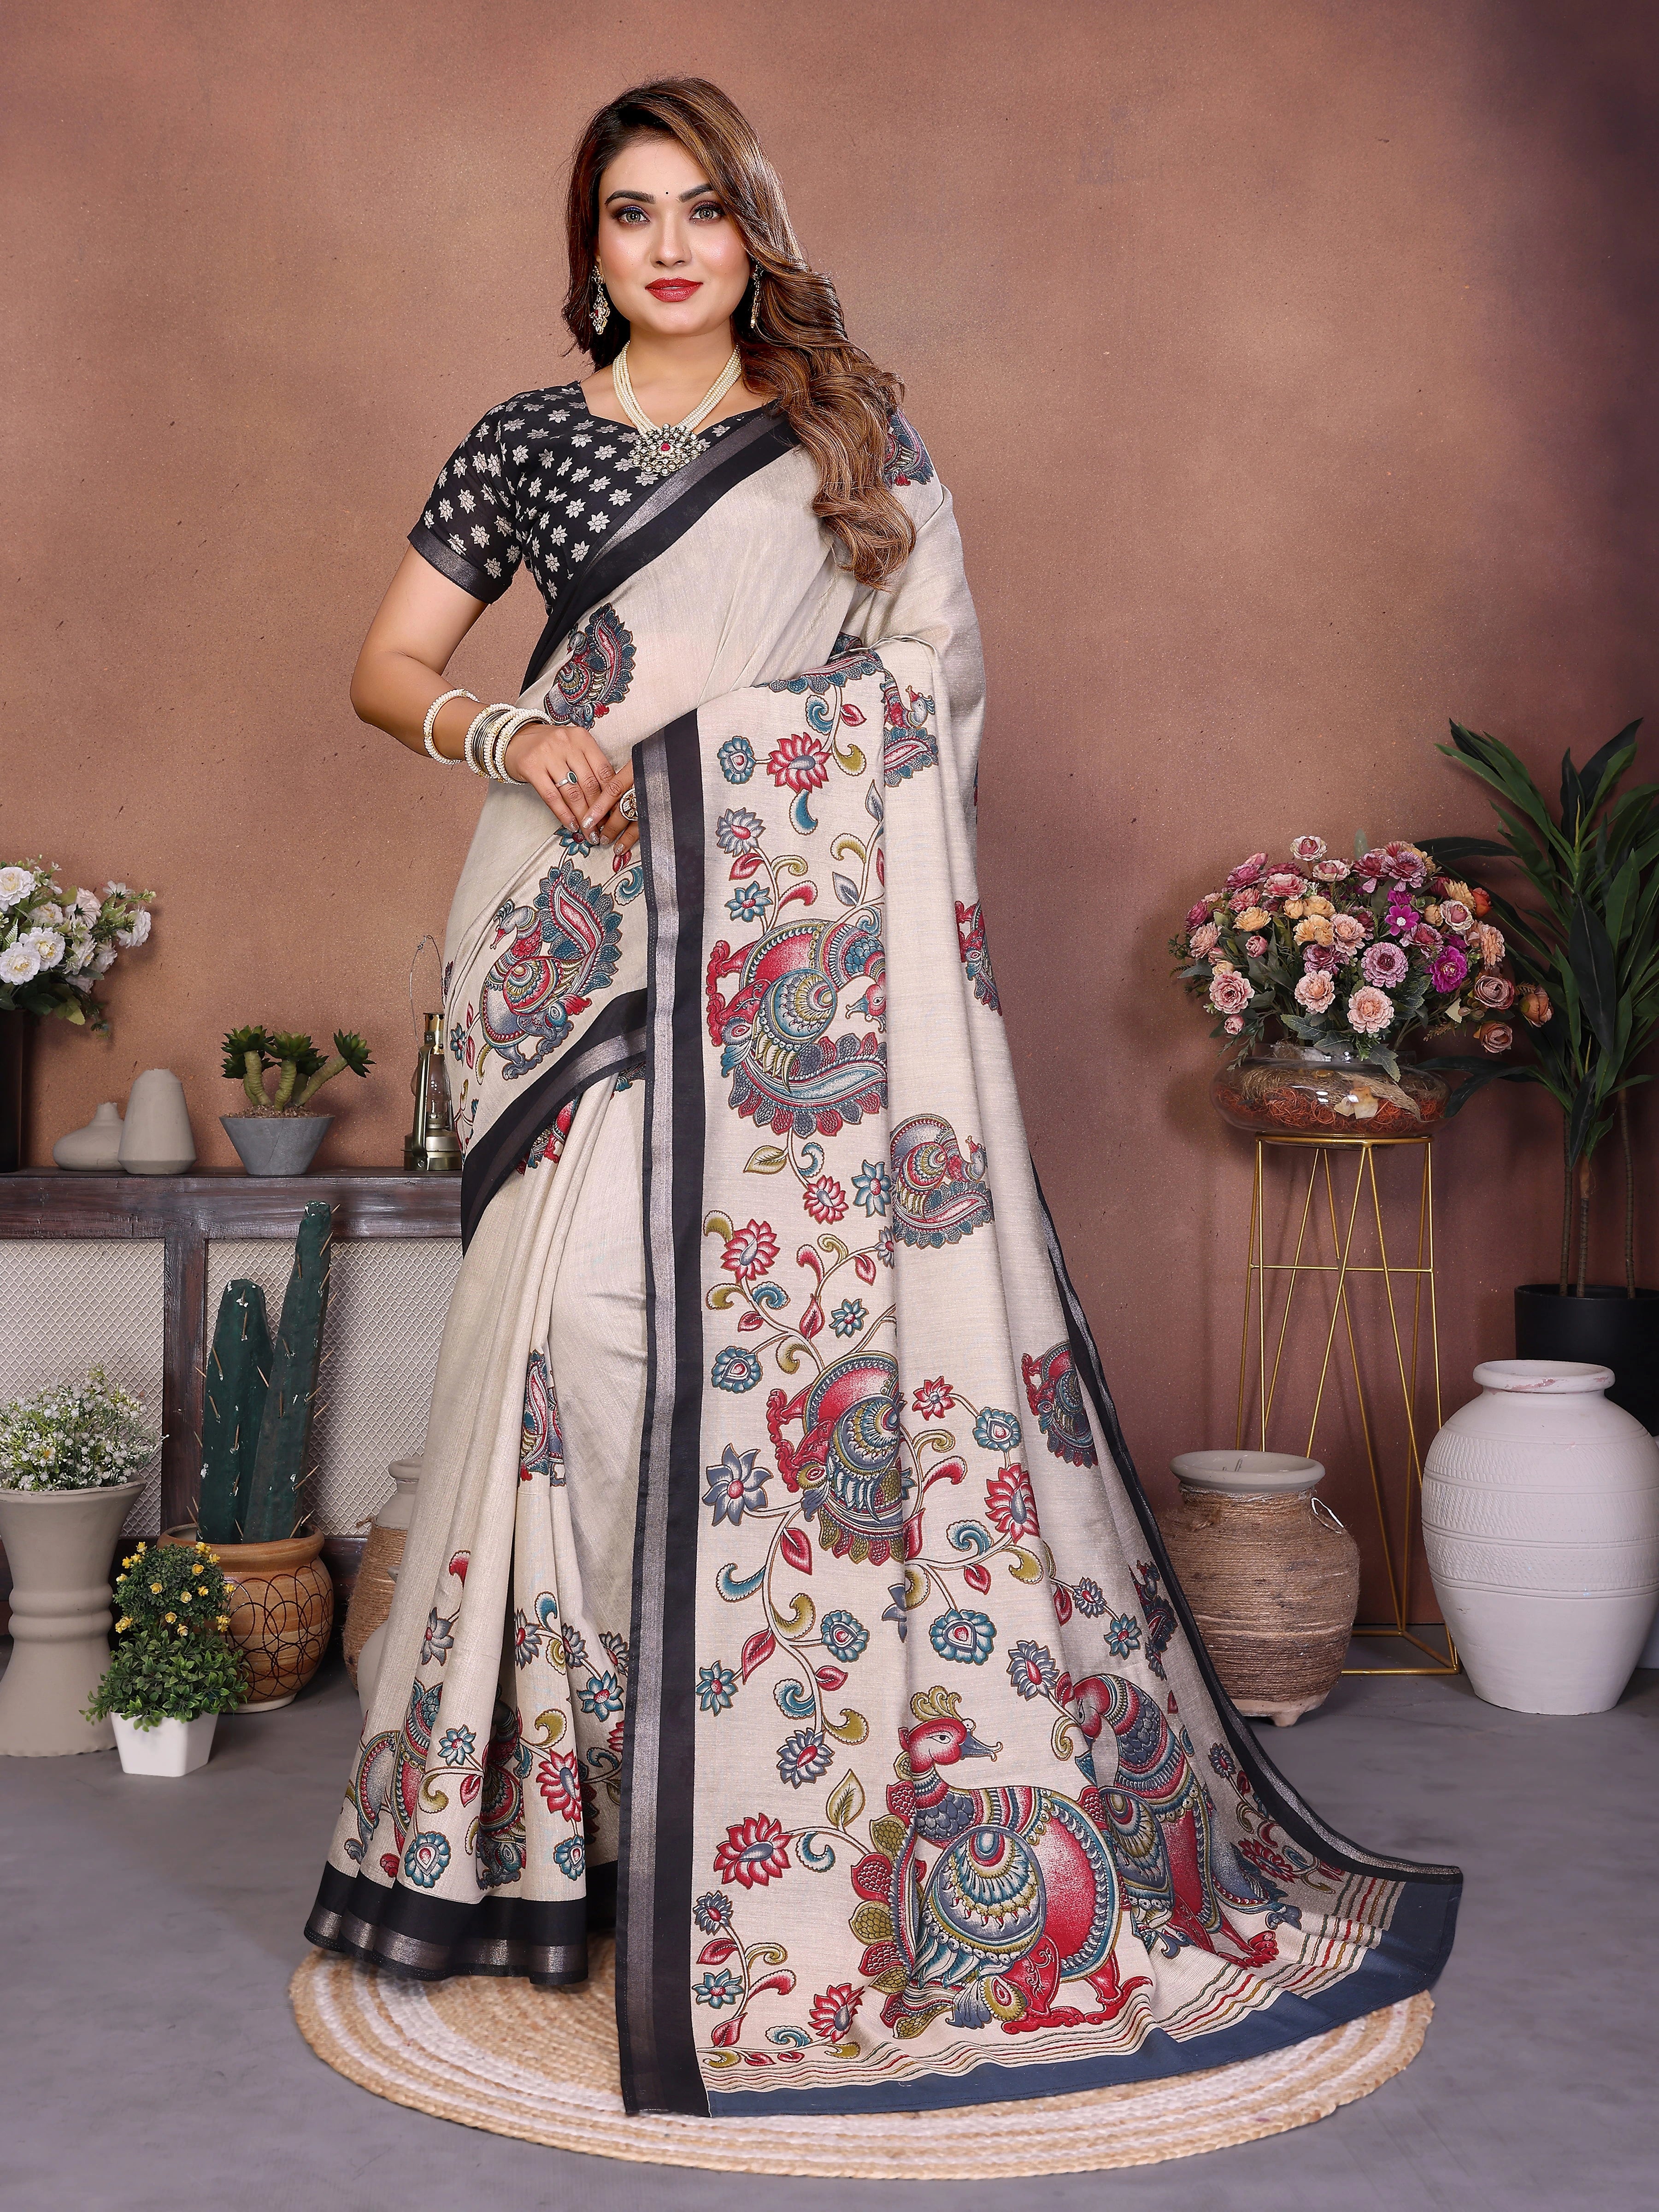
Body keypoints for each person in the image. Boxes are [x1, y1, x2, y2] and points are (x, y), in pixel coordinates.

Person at [307, 77, 1458, 2121]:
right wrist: (504, 730)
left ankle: (755, 1802)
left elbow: (930, 687)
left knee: (744, 1355)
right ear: (588, 248)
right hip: (563, 943)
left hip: (782, 960)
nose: (668, 248)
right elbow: (390, 663)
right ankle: (556, 1838)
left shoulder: (850, 439)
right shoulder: (525, 444)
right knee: (562, 1340)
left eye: (703, 214)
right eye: (629, 216)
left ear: (754, 234)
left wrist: (723, 759)